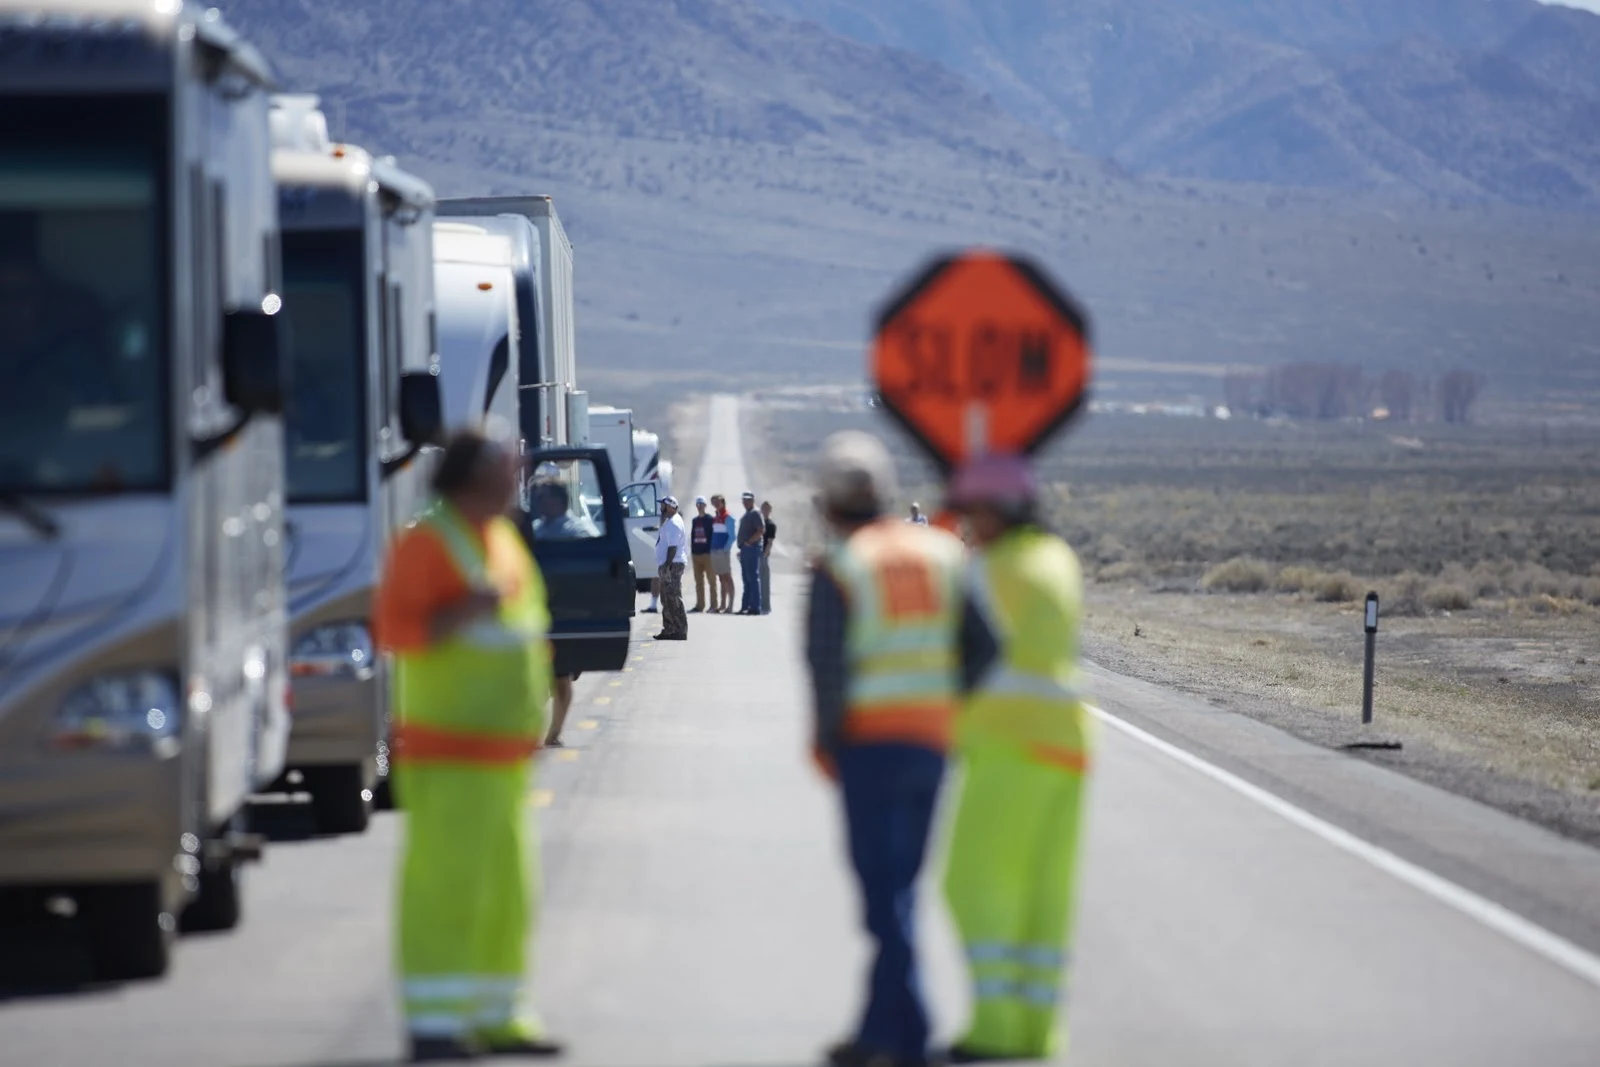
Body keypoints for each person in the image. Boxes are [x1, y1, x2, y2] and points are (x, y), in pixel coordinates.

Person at [805, 432, 996, 1067]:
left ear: (827, 505)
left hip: (869, 747)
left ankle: (907, 1035)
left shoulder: (840, 564)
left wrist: (828, 742)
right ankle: (876, 1030)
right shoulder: (944, 552)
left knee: (882, 894)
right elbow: (986, 646)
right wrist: (949, 703)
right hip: (931, 745)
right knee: (903, 888)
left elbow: (825, 667)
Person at [373, 429, 563, 1062]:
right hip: (447, 751)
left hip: (502, 756)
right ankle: (435, 1022)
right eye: (510, 468)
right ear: (472, 476)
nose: (519, 477)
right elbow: (396, 628)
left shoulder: (504, 541)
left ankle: (499, 1015)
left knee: (508, 890)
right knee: (446, 885)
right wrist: (461, 612)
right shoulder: (428, 542)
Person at [942, 453, 1092, 1063]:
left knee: (974, 884)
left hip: (1010, 745)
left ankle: (996, 1030)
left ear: (991, 510)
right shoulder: (1057, 560)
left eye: (971, 511)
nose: (967, 524)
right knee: (1044, 892)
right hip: (1068, 744)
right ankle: (1039, 1031)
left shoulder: (990, 570)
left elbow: (960, 652)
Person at [654, 495, 688, 641]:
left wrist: (666, 566)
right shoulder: (670, 521)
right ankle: (669, 629)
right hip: (669, 564)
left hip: (673, 564)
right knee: (666, 597)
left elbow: (672, 548)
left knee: (673, 597)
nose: (661, 507)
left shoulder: (674, 523)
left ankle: (680, 629)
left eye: (663, 505)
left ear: (670, 506)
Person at [529, 481, 599, 541]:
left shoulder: (578, 531)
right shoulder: (535, 528)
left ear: (557, 500)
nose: (537, 501)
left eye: (541, 497)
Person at [736, 490, 765, 615]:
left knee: (752, 578)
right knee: (746, 578)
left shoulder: (755, 513)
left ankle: (755, 607)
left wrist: (749, 542)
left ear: (753, 500)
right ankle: (745, 606)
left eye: (748, 500)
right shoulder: (747, 514)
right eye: (744, 500)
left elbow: (760, 530)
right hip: (745, 549)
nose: (746, 502)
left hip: (752, 548)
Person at [689, 495, 716, 613]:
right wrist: (692, 551)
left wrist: (710, 550)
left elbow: (712, 536)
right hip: (696, 554)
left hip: (707, 554)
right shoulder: (695, 521)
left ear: (705, 506)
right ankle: (700, 605)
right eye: (698, 504)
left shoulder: (710, 519)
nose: (700, 507)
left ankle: (713, 605)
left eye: (702, 505)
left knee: (711, 581)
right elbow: (693, 536)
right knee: (699, 582)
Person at [710, 494, 736, 613]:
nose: (715, 504)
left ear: (723, 502)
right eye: (713, 502)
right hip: (715, 550)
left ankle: (730, 605)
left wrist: (725, 549)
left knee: (727, 577)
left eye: (717, 502)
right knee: (721, 578)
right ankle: (723, 604)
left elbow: (732, 536)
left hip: (722, 551)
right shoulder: (716, 517)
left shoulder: (727, 517)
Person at [759, 500, 777, 615]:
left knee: (764, 582)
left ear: (770, 510)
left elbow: (770, 542)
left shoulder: (771, 525)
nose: (765, 511)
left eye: (767, 509)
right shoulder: (758, 523)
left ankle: (766, 606)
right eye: (763, 509)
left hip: (763, 555)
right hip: (754, 554)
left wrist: (765, 555)